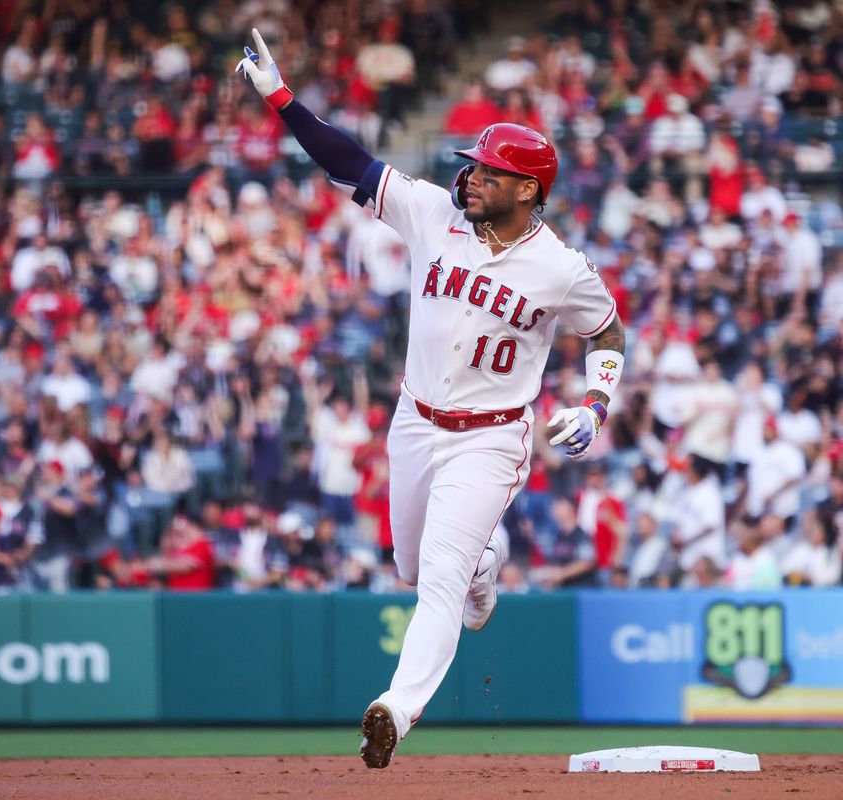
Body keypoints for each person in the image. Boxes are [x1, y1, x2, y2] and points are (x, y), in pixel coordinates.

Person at [238, 28, 626, 769]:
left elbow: (607, 335)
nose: (472, 177)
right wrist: (281, 99)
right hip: (416, 422)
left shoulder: (562, 268)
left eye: (489, 172)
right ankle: (489, 562)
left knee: (438, 580)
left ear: (528, 191)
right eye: (474, 165)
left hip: (492, 435)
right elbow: (349, 162)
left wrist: (595, 403)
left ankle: (395, 708)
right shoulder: (432, 214)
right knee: (413, 568)